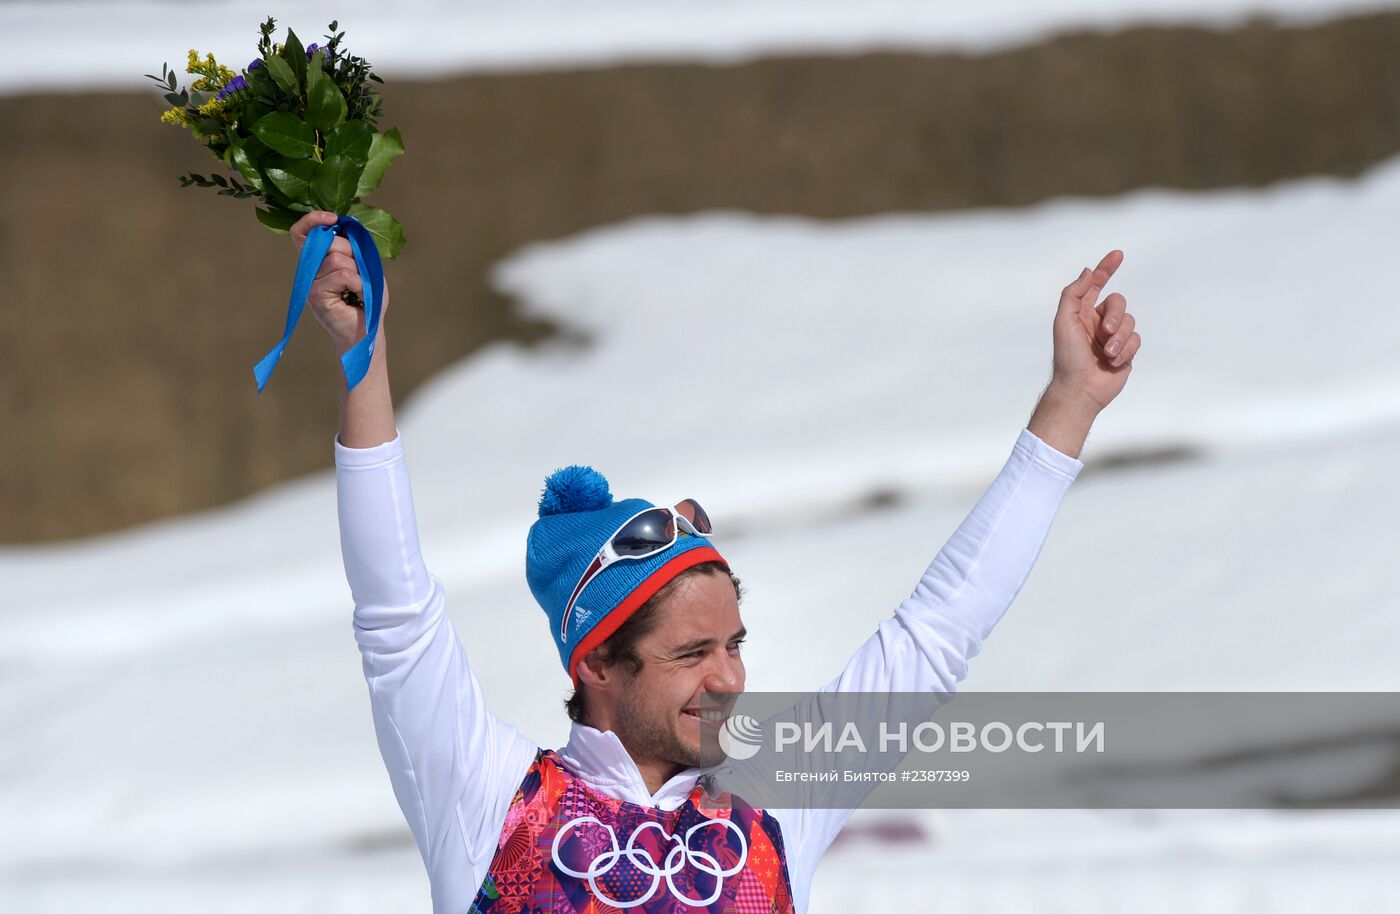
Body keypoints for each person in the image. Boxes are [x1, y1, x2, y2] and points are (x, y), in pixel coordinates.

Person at [291, 210, 1142, 912]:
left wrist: (1069, 406)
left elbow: (939, 631)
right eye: (692, 654)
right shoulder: (487, 803)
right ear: (596, 662)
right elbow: (396, 618)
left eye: (733, 644)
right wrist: (362, 364)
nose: (730, 679)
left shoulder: (775, 805)